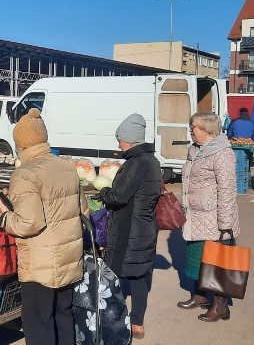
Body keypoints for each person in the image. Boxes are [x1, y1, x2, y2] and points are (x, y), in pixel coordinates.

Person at [0, 108, 83, 345]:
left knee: (38, 322)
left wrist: (5, 218)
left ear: (21, 145)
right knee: (63, 315)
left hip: (40, 263)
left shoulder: (24, 174)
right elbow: (83, 212)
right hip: (69, 257)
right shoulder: (66, 166)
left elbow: (29, 223)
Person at [98, 113, 161, 339]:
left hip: (128, 229)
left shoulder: (136, 163)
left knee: (114, 275)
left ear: (131, 140)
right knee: (138, 276)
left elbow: (118, 197)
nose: (118, 143)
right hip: (144, 228)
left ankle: (113, 321)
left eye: (120, 139)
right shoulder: (152, 161)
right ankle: (138, 324)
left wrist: (104, 192)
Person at [178, 112, 241, 323]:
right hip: (196, 216)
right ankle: (201, 296)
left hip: (214, 220)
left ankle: (221, 306)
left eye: (193, 127)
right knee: (197, 260)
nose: (190, 130)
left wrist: (225, 225)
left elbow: (226, 191)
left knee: (216, 264)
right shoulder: (196, 150)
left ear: (206, 129)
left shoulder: (222, 154)